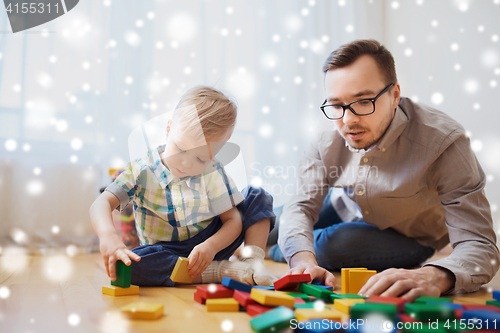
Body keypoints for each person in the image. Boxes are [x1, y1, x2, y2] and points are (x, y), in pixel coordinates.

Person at [270, 39, 499, 300]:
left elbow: (480, 245)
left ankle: (277, 248)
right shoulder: (326, 132)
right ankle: (279, 244)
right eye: (336, 105)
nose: (348, 121)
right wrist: (302, 261)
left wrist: (435, 275)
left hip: (409, 235)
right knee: (269, 220)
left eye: (364, 101)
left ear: (395, 96)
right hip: (347, 204)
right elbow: (300, 206)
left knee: (332, 246)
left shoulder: (445, 143)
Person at [90, 86, 277, 287]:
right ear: (169, 129)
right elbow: (101, 204)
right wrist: (108, 236)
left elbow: (233, 221)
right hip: (166, 254)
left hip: (212, 244)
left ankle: (252, 264)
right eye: (180, 148)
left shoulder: (212, 171)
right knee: (126, 266)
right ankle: (221, 271)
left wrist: (211, 246)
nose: (186, 164)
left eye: (200, 158)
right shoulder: (142, 170)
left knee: (257, 195)